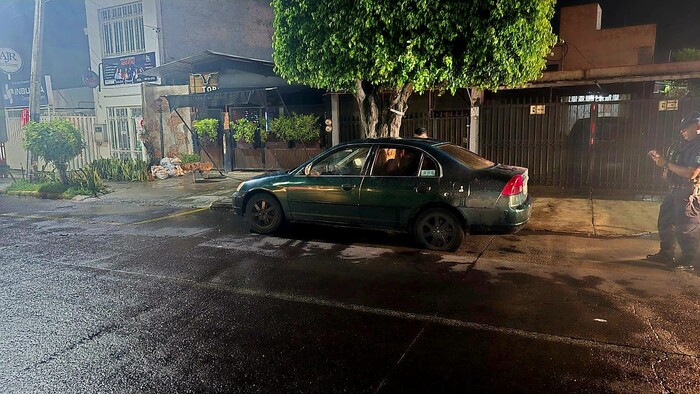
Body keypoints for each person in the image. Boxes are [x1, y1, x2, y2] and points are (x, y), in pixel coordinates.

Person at [646, 111, 700, 269]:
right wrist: (663, 163)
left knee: (686, 226)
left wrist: (665, 164)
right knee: (665, 221)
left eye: (685, 128)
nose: (682, 131)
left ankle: (687, 260)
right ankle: (666, 253)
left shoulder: (698, 146)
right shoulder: (688, 144)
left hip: (688, 192)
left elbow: (691, 173)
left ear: (697, 126)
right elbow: (678, 165)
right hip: (675, 190)